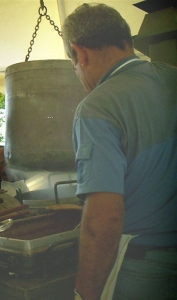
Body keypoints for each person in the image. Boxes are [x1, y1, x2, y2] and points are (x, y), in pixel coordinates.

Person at [62, 3, 177, 300]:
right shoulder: (172, 76)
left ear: (81, 53)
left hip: (144, 270)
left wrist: (84, 295)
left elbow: (105, 220)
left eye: (74, 65)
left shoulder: (97, 107)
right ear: (127, 40)